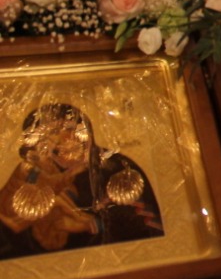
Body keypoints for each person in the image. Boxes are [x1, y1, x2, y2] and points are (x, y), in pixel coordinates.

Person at [0, 103, 164, 259]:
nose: (62, 138)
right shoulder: (38, 170)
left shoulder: (116, 166)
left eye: (69, 128)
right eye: (51, 133)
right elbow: (9, 230)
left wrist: (92, 226)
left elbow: (143, 225)